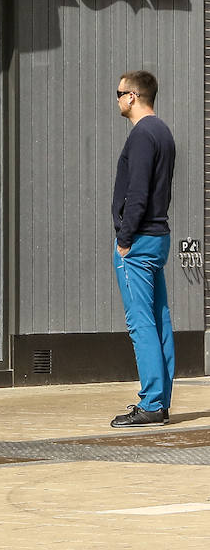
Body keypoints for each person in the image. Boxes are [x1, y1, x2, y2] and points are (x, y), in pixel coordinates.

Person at [109, 70, 176, 428]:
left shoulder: (141, 136)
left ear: (133, 96)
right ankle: (161, 402)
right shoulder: (163, 132)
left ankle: (150, 404)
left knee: (141, 323)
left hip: (137, 241)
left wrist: (124, 239)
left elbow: (137, 193)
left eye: (119, 93)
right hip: (158, 237)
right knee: (160, 318)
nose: (117, 99)